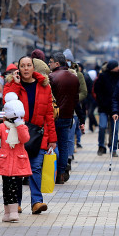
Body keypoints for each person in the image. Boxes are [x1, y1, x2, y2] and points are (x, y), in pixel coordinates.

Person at [3, 56, 57, 214]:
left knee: (35, 168)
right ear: (18, 68)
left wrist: (52, 139)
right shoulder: (12, 85)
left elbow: (49, 114)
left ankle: (37, 202)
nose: (26, 68)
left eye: (29, 65)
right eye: (23, 66)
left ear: (34, 68)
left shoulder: (44, 86)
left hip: (39, 134)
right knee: (18, 171)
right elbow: (8, 104)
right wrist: (17, 85)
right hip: (18, 133)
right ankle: (17, 203)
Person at [0, 93, 31, 223]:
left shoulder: (22, 127)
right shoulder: (2, 127)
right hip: (5, 162)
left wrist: (19, 124)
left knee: (14, 187)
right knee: (6, 188)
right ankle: (7, 212)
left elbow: (25, 138)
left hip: (17, 162)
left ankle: (14, 212)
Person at [48, 52, 80, 184]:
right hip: (68, 115)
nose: (49, 64)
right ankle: (61, 173)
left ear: (57, 63)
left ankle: (54, 172)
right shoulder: (74, 77)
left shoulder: (52, 77)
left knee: (53, 143)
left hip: (54, 116)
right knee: (64, 144)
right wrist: (81, 118)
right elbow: (76, 100)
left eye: (50, 62)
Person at [94, 60, 119, 156]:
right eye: (116, 66)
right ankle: (101, 146)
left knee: (114, 129)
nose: (117, 68)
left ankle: (113, 148)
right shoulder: (102, 76)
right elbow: (97, 90)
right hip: (103, 107)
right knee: (102, 127)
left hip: (115, 108)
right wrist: (101, 102)